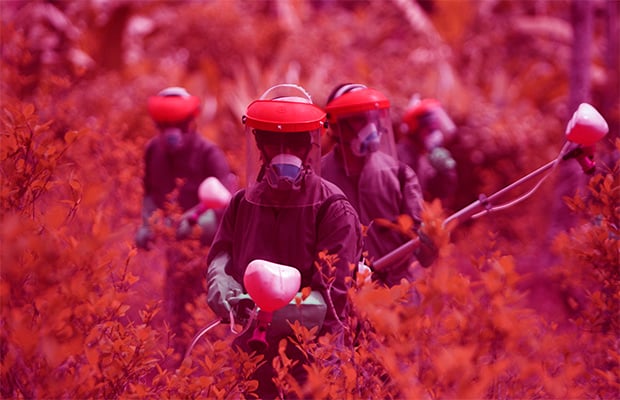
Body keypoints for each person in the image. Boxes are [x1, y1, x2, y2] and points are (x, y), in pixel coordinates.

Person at [205, 84, 362, 398]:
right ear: (260, 147)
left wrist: (279, 310)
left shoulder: (333, 207)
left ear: (308, 147)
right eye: (273, 142)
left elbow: (335, 295)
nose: (283, 151)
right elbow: (222, 250)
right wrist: (219, 277)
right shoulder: (243, 203)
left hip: (313, 354)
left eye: (292, 142)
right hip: (253, 350)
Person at [135, 86, 236, 357]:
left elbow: (229, 205)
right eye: (165, 125)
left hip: (208, 250)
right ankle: (179, 362)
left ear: (190, 122)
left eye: (178, 124)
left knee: (211, 308)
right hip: (175, 249)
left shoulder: (209, 153)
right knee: (176, 309)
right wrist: (147, 223)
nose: (172, 131)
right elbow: (148, 193)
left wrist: (198, 222)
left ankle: (215, 362)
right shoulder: (153, 151)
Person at [321, 83, 437, 288]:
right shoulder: (319, 179)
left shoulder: (400, 175)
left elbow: (423, 253)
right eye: (358, 118)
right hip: (340, 297)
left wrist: (432, 241)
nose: (370, 126)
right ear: (336, 126)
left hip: (398, 297)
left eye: (372, 117)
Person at [397, 96, 458, 209]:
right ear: (415, 129)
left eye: (436, 128)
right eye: (429, 129)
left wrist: (445, 172)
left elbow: (439, 193)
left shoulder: (423, 157)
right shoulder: (403, 157)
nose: (435, 134)